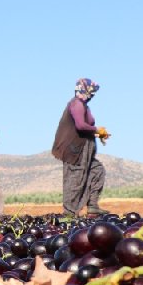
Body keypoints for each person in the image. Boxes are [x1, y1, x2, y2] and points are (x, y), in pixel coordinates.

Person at [51, 78, 110, 217]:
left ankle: (93, 205)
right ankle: (69, 213)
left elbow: (84, 128)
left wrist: (97, 134)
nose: (93, 95)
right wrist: (96, 130)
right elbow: (80, 125)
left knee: (97, 170)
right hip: (75, 150)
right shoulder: (76, 104)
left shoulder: (83, 106)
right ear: (85, 90)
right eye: (92, 92)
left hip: (84, 150)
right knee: (74, 179)